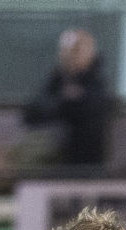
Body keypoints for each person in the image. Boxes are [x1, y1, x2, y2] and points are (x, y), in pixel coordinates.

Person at [19, 28, 111, 169]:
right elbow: (30, 113)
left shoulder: (96, 82)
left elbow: (95, 113)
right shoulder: (58, 80)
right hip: (53, 158)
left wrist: (74, 101)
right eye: (69, 51)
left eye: (78, 50)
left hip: (87, 161)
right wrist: (62, 100)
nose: (72, 57)